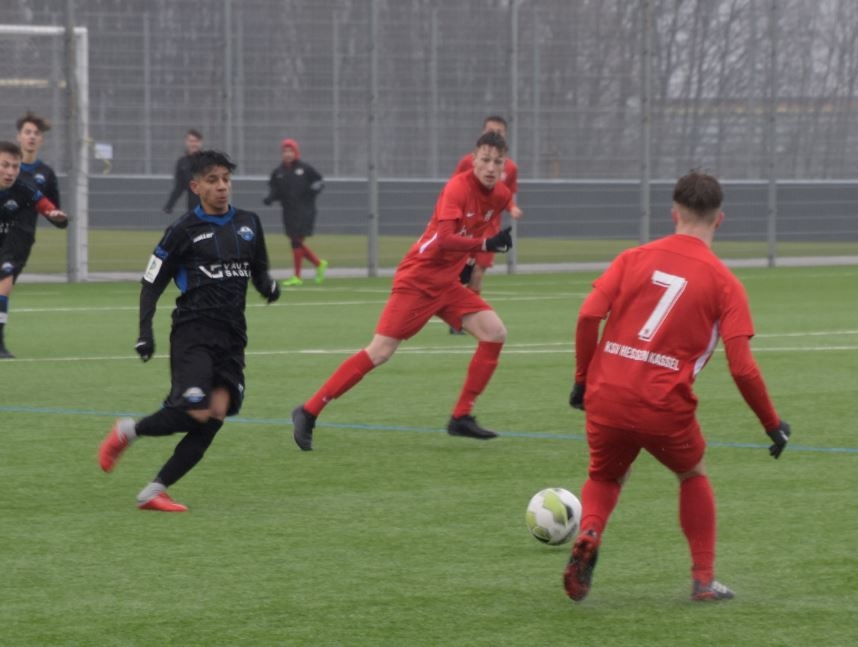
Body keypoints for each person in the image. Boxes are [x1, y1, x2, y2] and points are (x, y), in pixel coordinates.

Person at [563, 171, 792, 603]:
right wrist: (772, 423)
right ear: (719, 219)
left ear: (673, 213)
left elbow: (588, 316)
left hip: (607, 393)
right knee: (692, 473)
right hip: (662, 405)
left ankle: (590, 530)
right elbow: (743, 369)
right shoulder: (725, 283)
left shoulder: (632, 258)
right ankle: (703, 580)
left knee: (605, 474)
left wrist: (581, 379)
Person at [290, 130, 515, 451]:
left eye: (498, 162)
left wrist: (474, 259)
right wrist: (484, 245)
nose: (491, 167)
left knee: (495, 333)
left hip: (447, 284)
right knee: (380, 351)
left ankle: (461, 417)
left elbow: (484, 228)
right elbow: (445, 239)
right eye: (485, 160)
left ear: (505, 165)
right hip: (419, 279)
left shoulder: (501, 195)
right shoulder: (457, 188)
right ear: (473, 159)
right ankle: (309, 410)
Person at [98, 150, 281, 512]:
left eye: (226, 179)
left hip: (233, 336)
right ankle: (127, 432)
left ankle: (154, 491)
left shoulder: (249, 223)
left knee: (216, 414)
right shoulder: (182, 230)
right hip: (193, 333)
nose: (222, 186)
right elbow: (152, 282)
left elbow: (258, 271)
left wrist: (269, 288)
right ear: (195, 187)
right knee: (195, 411)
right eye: (213, 180)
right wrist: (144, 331)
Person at [448, 115, 523, 334]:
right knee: (460, 271)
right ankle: (454, 311)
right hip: (466, 226)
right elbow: (454, 187)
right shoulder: (468, 162)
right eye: (491, 131)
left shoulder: (510, 168)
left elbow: (507, 194)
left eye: (500, 132)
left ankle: (465, 316)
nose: (491, 168)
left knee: (478, 271)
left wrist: (512, 208)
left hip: (489, 227)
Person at [0, 140, 68, 358]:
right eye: (5, 165)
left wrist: (55, 215)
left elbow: (46, 206)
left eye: (15, 166)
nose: (10, 172)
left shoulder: (24, 189)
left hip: (8, 245)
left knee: (5, 279)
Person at [263, 138, 327, 286]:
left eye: (290, 151)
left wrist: (316, 187)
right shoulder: (278, 172)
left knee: (296, 241)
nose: (287, 154)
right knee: (295, 242)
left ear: (296, 152)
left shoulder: (305, 168)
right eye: (285, 151)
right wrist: (269, 198)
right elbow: (275, 190)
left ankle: (297, 276)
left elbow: (319, 181)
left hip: (305, 210)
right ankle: (319, 264)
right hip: (288, 212)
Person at [162, 129, 204, 215]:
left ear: (200, 143)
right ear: (186, 142)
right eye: (191, 141)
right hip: (193, 208)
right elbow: (179, 187)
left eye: (196, 141)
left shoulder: (208, 161)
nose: (194, 144)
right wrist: (169, 205)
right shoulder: (182, 163)